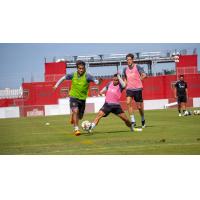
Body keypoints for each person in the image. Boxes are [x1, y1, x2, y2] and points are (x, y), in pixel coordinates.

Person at [53, 60, 101, 136]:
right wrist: (56, 85)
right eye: (80, 68)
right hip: (73, 96)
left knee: (80, 117)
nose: (81, 70)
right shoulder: (72, 75)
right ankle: (76, 129)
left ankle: (73, 116)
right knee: (75, 110)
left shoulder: (88, 76)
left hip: (82, 99)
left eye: (82, 68)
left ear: (84, 68)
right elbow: (63, 78)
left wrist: (98, 82)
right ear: (77, 68)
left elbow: (96, 81)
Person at [122, 53, 147, 128]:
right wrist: (124, 85)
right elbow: (125, 78)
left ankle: (143, 119)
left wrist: (139, 80)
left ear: (133, 60)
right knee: (128, 102)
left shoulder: (137, 67)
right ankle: (133, 121)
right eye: (127, 60)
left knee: (139, 107)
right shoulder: (125, 69)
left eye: (130, 59)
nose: (128, 61)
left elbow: (144, 75)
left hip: (138, 89)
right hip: (129, 89)